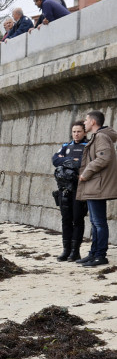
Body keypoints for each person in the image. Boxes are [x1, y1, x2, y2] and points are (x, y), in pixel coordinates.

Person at [76, 111, 117, 267]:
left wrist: (86, 173)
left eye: (86, 120)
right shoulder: (98, 136)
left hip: (97, 186)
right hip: (95, 185)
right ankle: (94, 253)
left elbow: (103, 158)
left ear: (93, 122)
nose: (84, 123)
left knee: (99, 223)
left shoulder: (100, 136)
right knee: (95, 222)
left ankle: (100, 255)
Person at [52, 121, 88, 262]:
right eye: (74, 131)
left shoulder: (87, 146)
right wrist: (70, 160)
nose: (76, 134)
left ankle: (75, 251)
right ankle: (66, 250)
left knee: (77, 219)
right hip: (64, 188)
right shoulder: (66, 146)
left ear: (84, 132)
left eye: (79, 131)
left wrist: (65, 160)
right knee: (65, 219)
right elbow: (55, 160)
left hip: (79, 188)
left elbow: (81, 163)